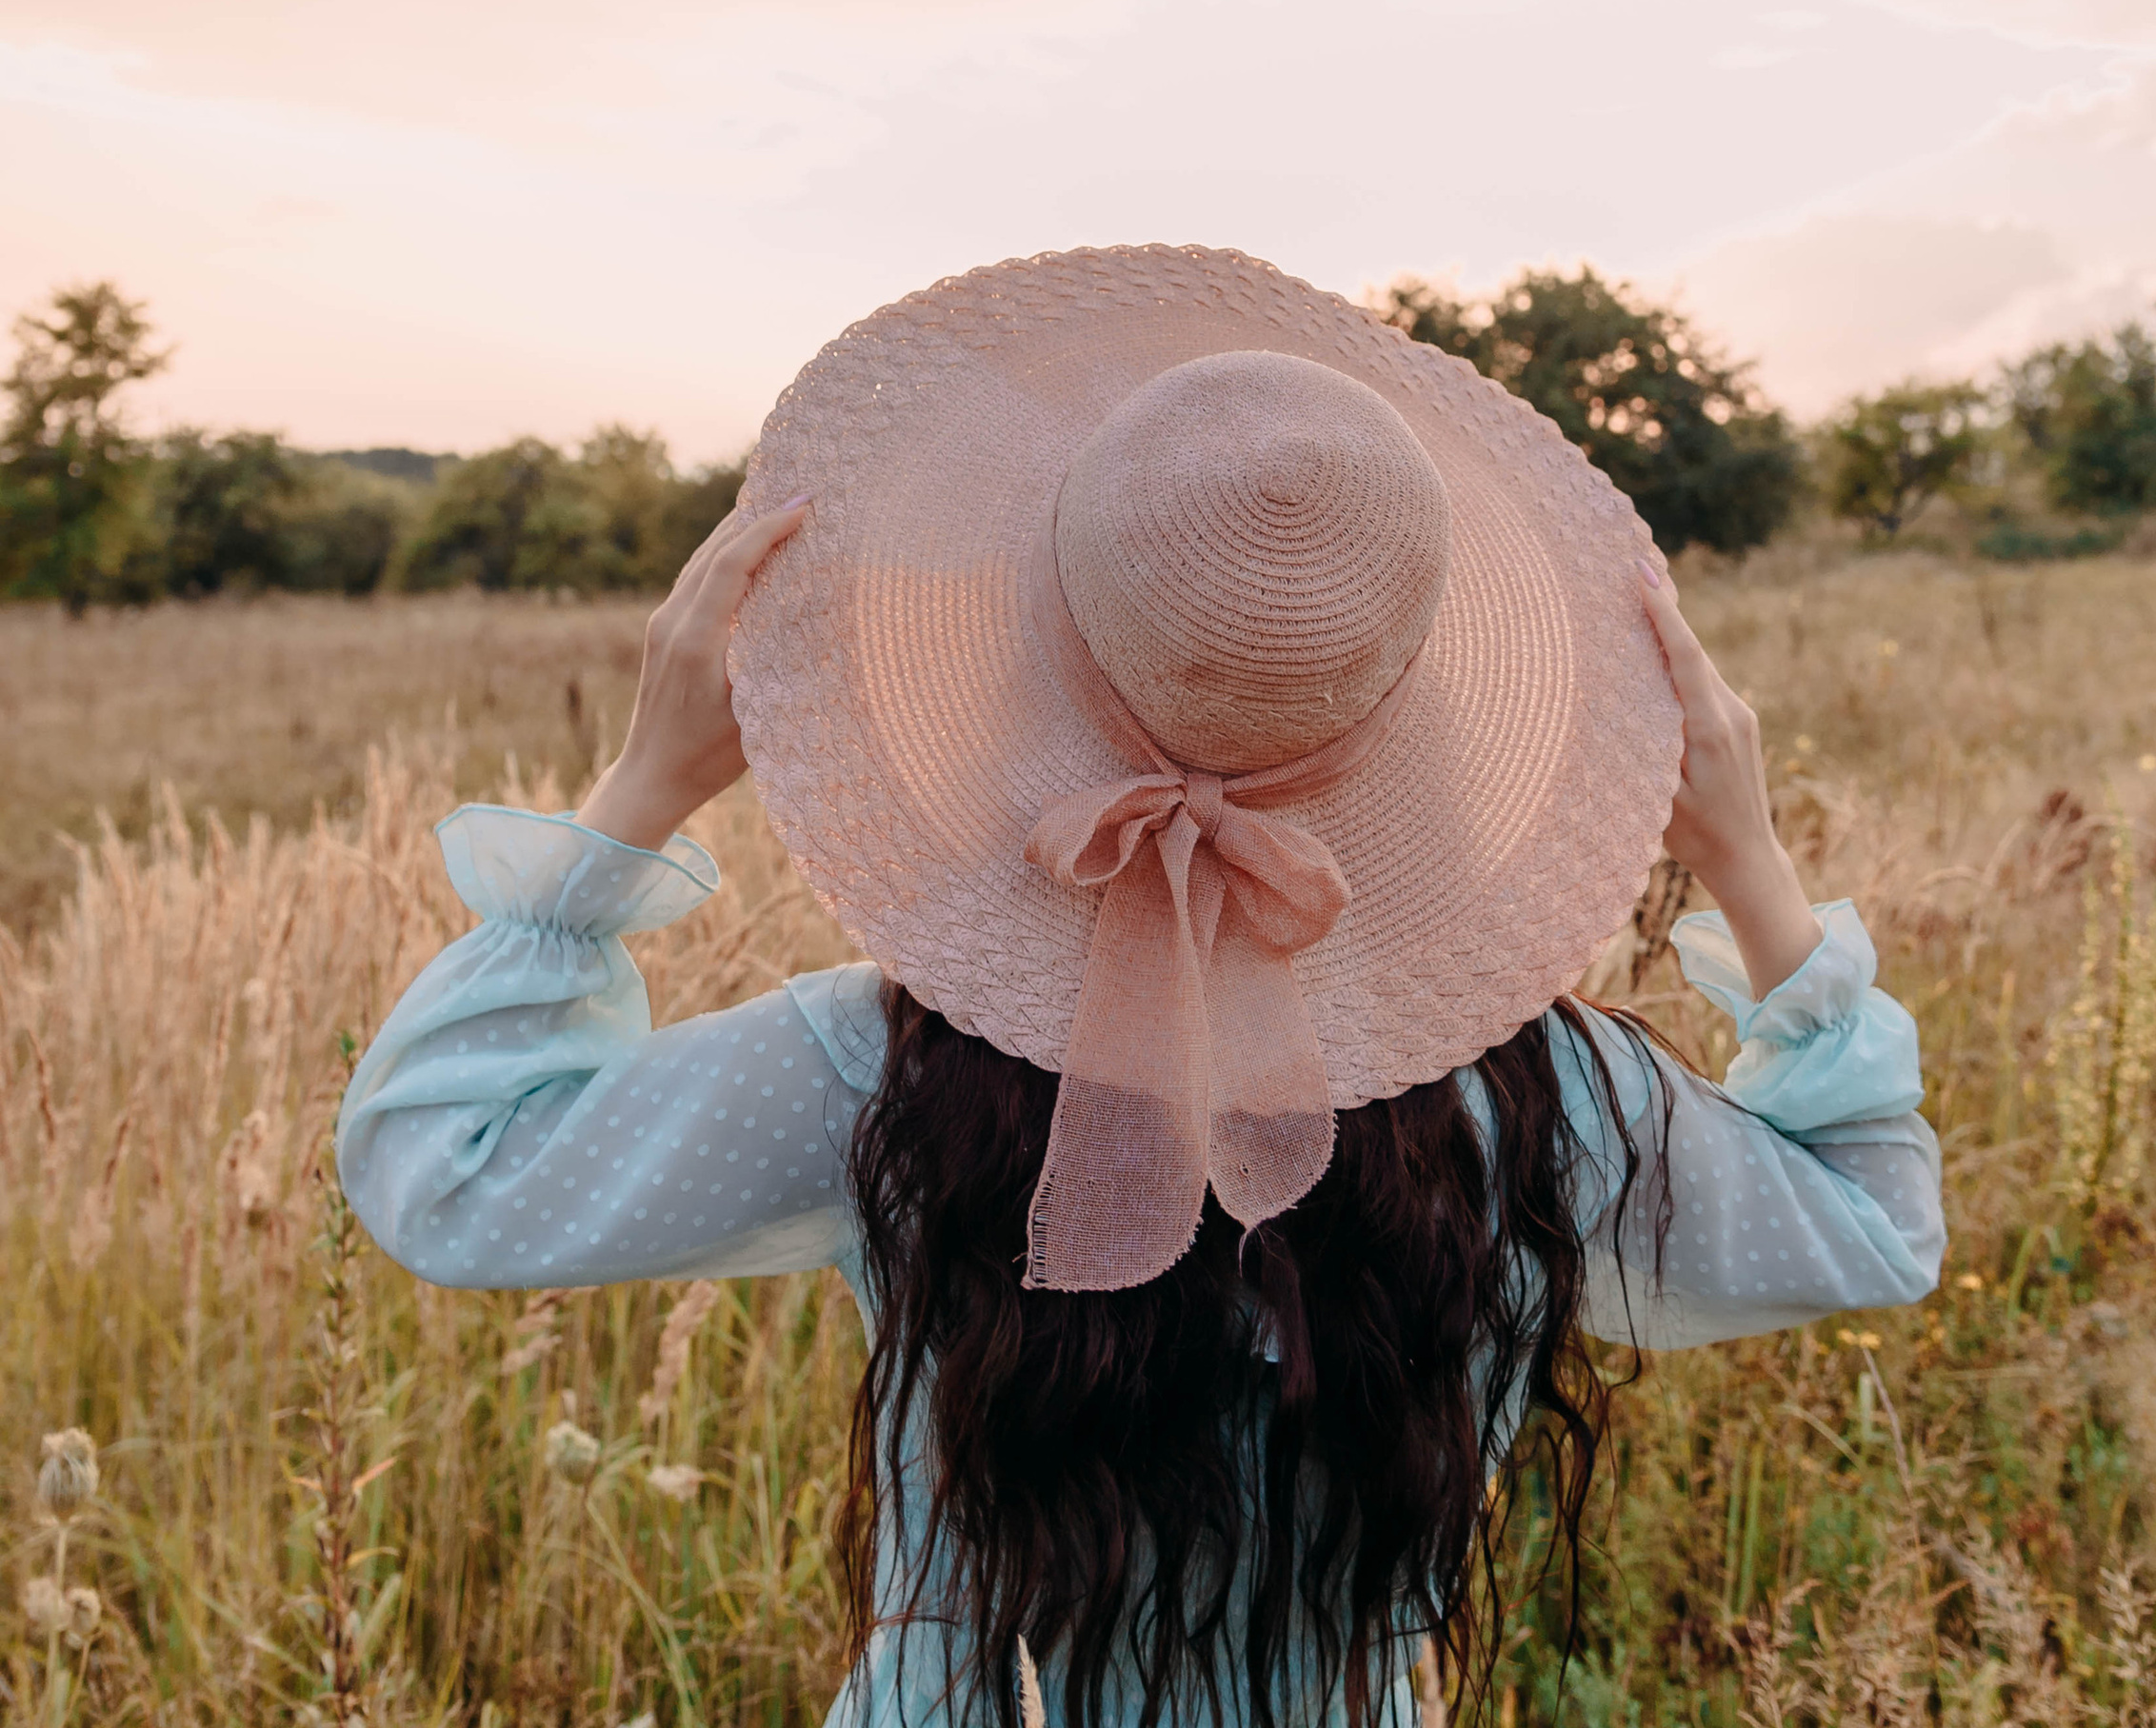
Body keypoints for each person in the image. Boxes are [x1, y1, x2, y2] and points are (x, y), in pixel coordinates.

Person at [339, 246, 1943, 1728]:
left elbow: (452, 1174)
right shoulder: (1538, 1098)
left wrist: (640, 793)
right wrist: (1752, 865)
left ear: (1025, 661)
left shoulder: (887, 1070)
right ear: (1423, 703)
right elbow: (1877, 1224)